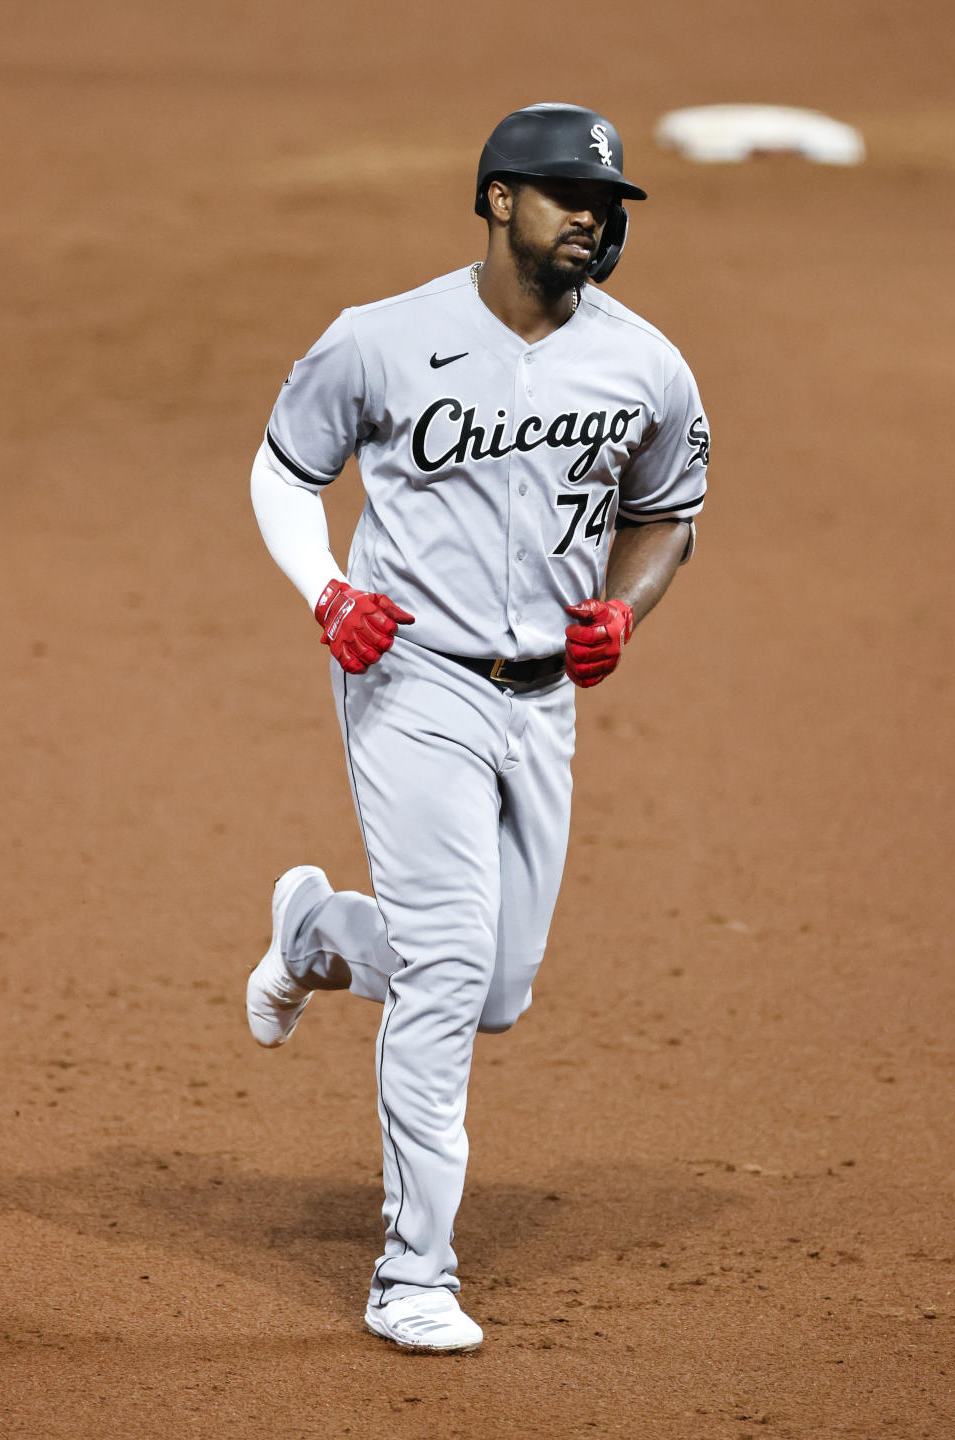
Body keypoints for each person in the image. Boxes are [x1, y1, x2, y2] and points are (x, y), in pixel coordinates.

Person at [246, 102, 710, 1353]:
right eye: (567, 196)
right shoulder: (381, 340)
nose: (592, 219)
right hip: (412, 682)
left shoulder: (645, 362)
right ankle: (413, 1273)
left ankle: (320, 931)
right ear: (498, 199)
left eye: (606, 203)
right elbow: (286, 471)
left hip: (544, 698)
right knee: (452, 970)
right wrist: (328, 590)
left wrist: (625, 605)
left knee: (495, 988)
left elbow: (669, 512)